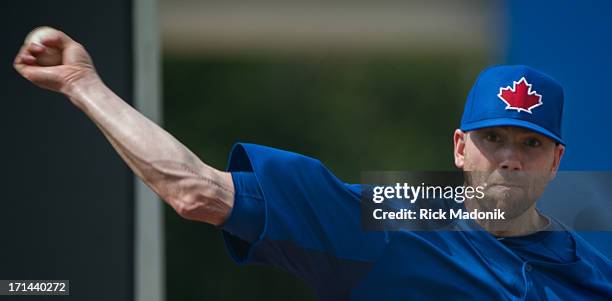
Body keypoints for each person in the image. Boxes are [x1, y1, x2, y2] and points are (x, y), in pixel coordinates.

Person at [14, 27, 612, 300]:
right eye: (493, 139)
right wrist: (81, 83)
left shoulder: (595, 270)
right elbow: (196, 190)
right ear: (459, 148)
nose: (509, 159)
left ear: (557, 161)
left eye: (530, 145)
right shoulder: (393, 219)